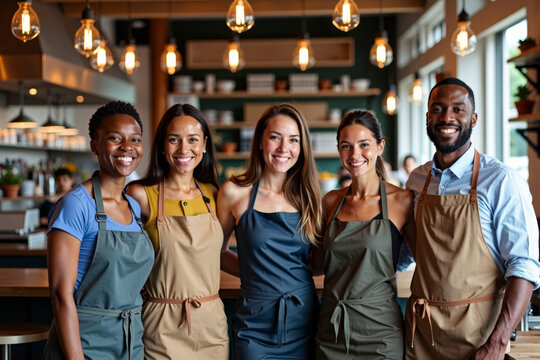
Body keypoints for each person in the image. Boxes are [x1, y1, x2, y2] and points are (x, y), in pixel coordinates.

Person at [405, 77, 540, 359]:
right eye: (438, 109)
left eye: (458, 109)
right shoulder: (417, 180)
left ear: (474, 118)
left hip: (479, 341)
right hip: (421, 337)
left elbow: (524, 267)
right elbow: (408, 251)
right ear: (427, 117)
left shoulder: (501, 180)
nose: (447, 117)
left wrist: (498, 343)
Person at [45, 101, 155, 359]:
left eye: (135, 139)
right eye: (115, 138)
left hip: (131, 343)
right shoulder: (75, 205)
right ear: (95, 145)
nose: (127, 147)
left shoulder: (134, 208)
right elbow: (60, 294)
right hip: (85, 343)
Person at [218, 103, 323, 359]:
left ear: (302, 147)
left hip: (305, 318)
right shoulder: (233, 192)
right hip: (254, 323)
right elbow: (216, 253)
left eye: (293, 140)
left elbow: (317, 262)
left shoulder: (310, 197)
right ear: (260, 142)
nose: (283, 148)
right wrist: (258, 273)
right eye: (275, 137)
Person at [126, 104, 228, 359]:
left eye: (193, 139)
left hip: (211, 325)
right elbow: (120, 256)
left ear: (204, 145)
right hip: (161, 324)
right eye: (174, 140)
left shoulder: (215, 195)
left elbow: (221, 253)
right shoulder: (140, 195)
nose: (184, 149)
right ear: (162, 145)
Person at [314, 110, 414, 359]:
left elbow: (423, 258)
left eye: (364, 145)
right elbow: (314, 264)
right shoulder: (329, 202)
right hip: (332, 330)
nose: (355, 154)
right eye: (346, 146)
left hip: (380, 334)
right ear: (339, 150)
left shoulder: (402, 201)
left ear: (380, 147)